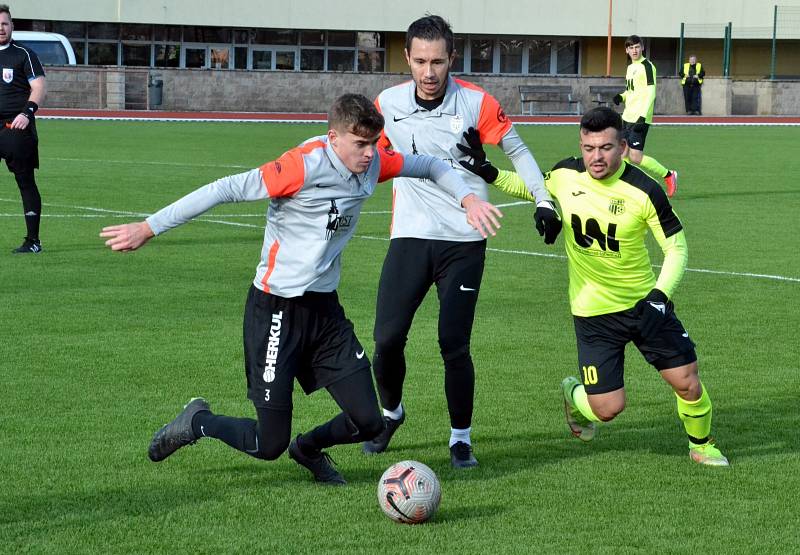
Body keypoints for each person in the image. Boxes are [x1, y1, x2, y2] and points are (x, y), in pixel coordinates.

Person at [99, 94, 502, 485]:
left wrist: (468, 199)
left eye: (374, 143)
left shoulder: (374, 163)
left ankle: (308, 449)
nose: (369, 153)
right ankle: (197, 421)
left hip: (324, 312)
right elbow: (223, 189)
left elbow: (431, 165)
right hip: (276, 308)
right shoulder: (301, 166)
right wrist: (148, 227)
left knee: (369, 421)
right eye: (360, 144)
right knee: (267, 442)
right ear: (333, 138)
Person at [458, 106, 728, 467]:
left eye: (605, 148)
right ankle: (574, 393)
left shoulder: (645, 190)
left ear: (622, 146)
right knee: (607, 409)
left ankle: (703, 445)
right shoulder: (567, 173)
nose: (595, 157)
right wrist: (488, 171)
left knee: (687, 382)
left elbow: (676, 248)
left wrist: (659, 298)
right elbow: (532, 185)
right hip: (593, 311)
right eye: (588, 148)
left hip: (646, 304)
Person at [363, 14, 561, 468]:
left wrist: (543, 200)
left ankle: (460, 438)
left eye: (437, 61)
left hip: (465, 241)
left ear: (452, 58)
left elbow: (519, 150)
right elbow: (365, 148)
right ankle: (391, 414)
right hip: (410, 236)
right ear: (407, 60)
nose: (428, 73)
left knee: (453, 343)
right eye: (419, 61)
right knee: (387, 339)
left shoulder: (475, 102)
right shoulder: (387, 102)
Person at [0, 4, 46, 253]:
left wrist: (27, 112)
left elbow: (39, 87)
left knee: (25, 181)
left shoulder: (23, 54)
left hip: (15, 126)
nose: (1, 28)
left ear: (12, 26)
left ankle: (33, 241)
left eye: (5, 23)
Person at [612, 35, 679, 198]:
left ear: (642, 47)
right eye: (631, 48)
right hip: (627, 116)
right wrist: (622, 97)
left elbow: (650, 92)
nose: (634, 50)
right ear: (626, 50)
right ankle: (624, 189)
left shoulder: (647, 66)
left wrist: (643, 117)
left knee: (635, 157)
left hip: (640, 118)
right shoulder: (630, 68)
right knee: (622, 154)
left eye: (637, 47)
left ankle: (668, 175)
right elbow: (632, 91)